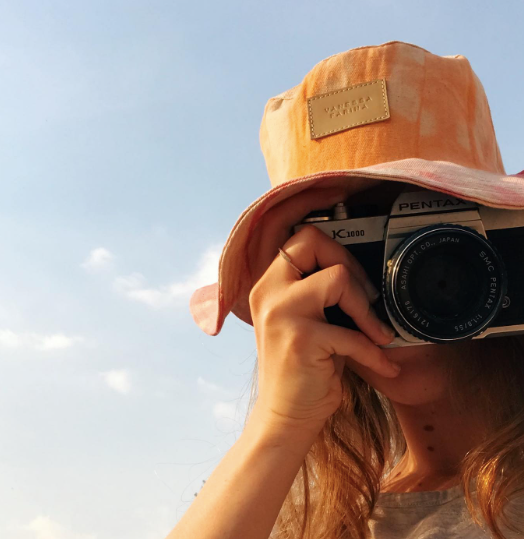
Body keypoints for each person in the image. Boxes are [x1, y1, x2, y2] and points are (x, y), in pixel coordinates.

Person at [172, 41, 524, 538]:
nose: (404, 277)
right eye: (355, 247)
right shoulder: (292, 516)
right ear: (292, 281)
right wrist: (276, 429)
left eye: (436, 242)